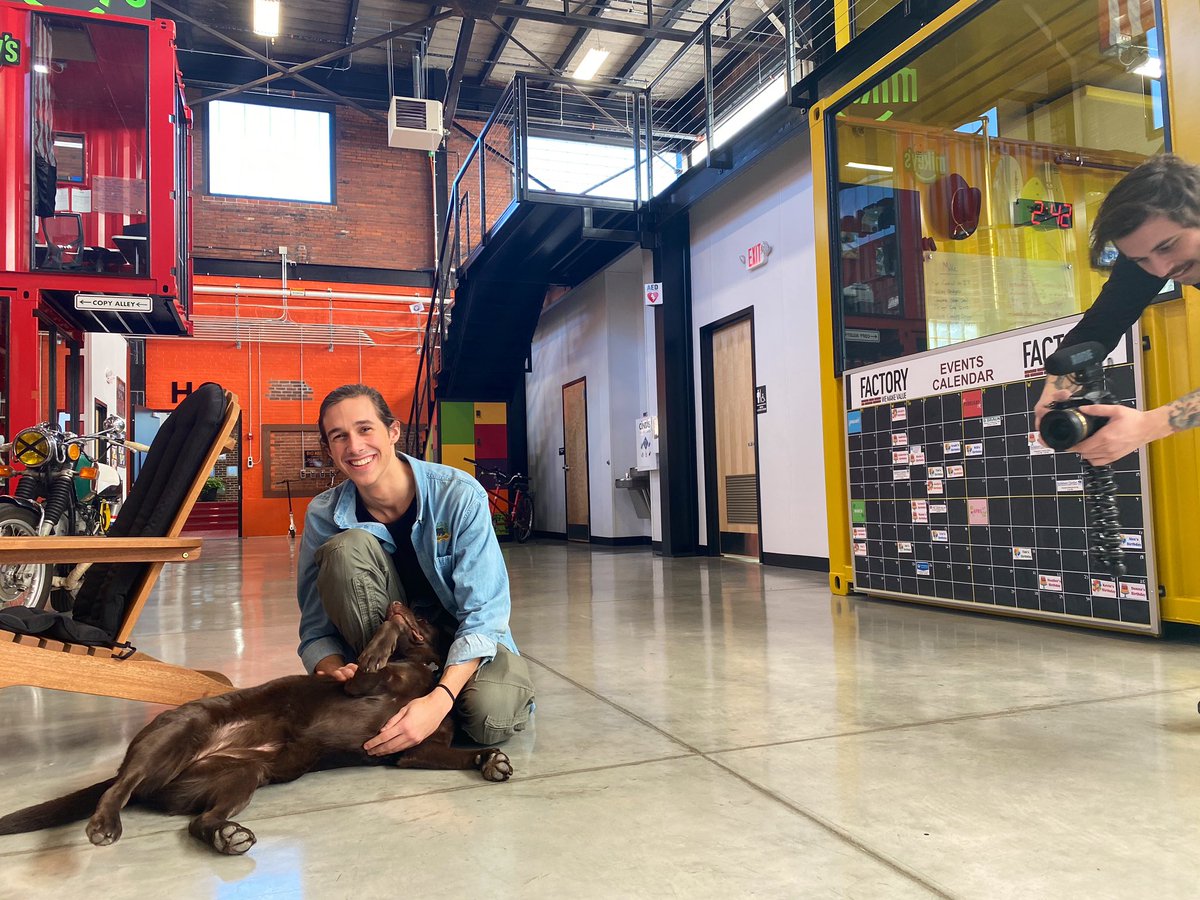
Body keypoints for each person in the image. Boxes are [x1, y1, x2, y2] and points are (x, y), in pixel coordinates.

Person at [297, 384, 535, 756]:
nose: (355, 447)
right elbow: (315, 628)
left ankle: (419, 701)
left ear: (393, 431)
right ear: (329, 449)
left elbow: (484, 613)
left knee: (490, 717)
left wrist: (440, 700)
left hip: (462, 638)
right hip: (389, 648)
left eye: (365, 429)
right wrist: (333, 668)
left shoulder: (458, 495)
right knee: (346, 548)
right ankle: (396, 691)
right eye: (339, 436)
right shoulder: (323, 514)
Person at [1035, 153, 1200, 465]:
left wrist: (1150, 425)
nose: (1162, 269)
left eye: (1168, 247)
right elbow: (1104, 322)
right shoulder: (1153, 250)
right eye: (1141, 260)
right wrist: (1056, 390)